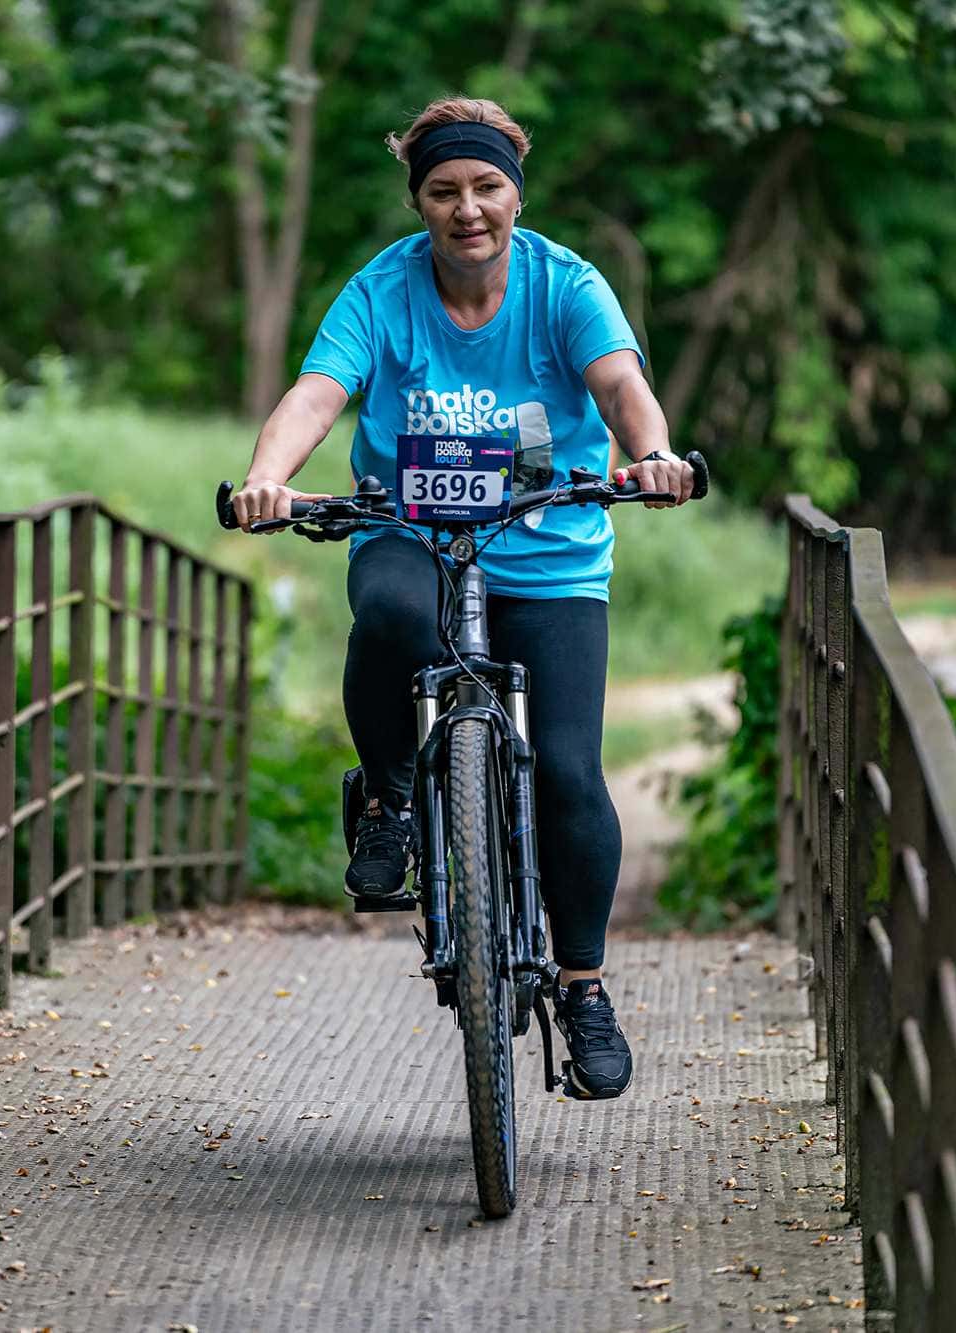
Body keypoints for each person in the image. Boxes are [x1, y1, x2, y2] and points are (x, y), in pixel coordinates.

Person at [227, 97, 695, 1101]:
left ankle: (582, 986)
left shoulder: (566, 285)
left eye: (486, 187)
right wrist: (268, 476)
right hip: (412, 535)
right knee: (392, 613)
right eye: (443, 191)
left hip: (551, 551)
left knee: (568, 770)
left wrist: (651, 453)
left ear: (516, 196)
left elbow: (620, 387)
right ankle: (389, 798)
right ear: (419, 202)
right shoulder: (381, 290)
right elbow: (317, 392)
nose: (467, 208)